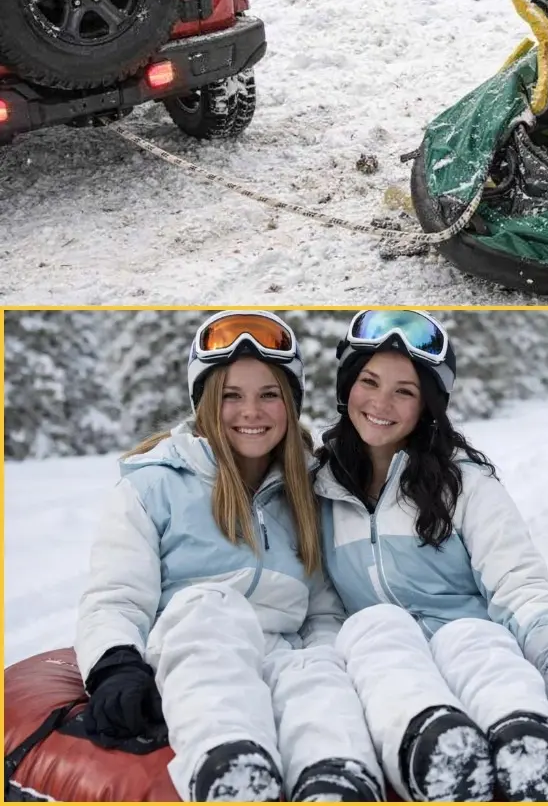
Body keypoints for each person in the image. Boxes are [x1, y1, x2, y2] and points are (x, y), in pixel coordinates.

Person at [313, 309, 548, 803]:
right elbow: (316, 604)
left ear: (427, 405)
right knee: (376, 629)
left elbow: (518, 582)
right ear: (346, 386)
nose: (380, 402)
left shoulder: (464, 484)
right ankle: (433, 755)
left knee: (470, 634)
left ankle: (532, 752)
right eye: (368, 381)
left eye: (405, 391)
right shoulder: (318, 488)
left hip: (473, 654)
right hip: (384, 665)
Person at [74, 310, 383, 803]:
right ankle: (232, 771)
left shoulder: (307, 490)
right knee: (210, 610)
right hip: (193, 648)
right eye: (231, 396)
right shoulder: (154, 486)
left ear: (291, 404)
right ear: (205, 403)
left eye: (269, 395)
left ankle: (335, 778)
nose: (251, 412)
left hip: (279, 651)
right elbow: (115, 597)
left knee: (314, 672)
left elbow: (321, 607)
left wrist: (325, 657)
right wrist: (115, 663)